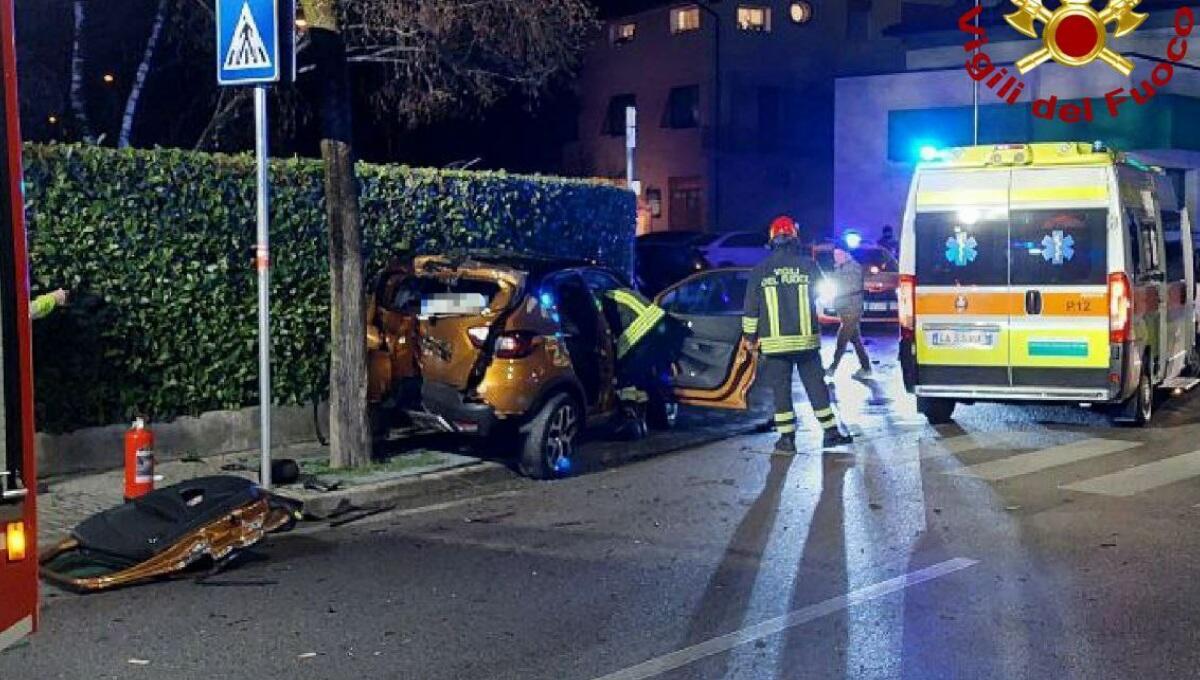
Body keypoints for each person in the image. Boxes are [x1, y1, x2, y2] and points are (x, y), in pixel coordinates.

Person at [742, 216, 853, 454]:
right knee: (816, 386)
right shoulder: (809, 266)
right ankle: (831, 433)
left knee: (781, 391)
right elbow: (825, 296)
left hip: (774, 344)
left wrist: (749, 338)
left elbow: (751, 310)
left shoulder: (760, 271)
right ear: (794, 239)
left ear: (772, 240)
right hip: (806, 342)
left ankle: (787, 440)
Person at [599, 286, 687, 439]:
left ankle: (631, 424)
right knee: (645, 378)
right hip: (659, 327)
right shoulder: (617, 291)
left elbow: (600, 324)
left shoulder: (600, 301)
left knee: (626, 379)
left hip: (642, 332)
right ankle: (649, 421)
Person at [825, 247, 872, 380]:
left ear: (846, 254)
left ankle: (832, 368)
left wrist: (837, 290)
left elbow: (854, 286)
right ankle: (866, 367)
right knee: (856, 340)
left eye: (839, 254)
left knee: (842, 339)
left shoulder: (854, 267)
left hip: (852, 309)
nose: (836, 257)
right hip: (845, 309)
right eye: (835, 255)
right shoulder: (839, 267)